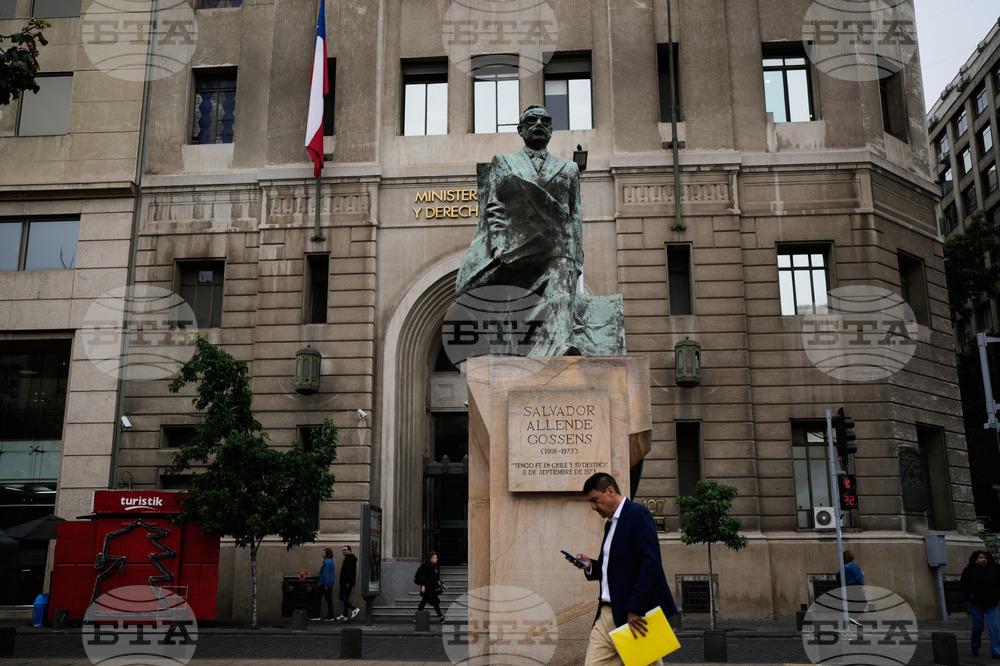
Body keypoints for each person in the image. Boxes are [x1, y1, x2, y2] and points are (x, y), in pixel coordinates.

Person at [456, 104, 624, 357]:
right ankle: (515, 347)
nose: (538, 125)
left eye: (545, 121)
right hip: (517, 247)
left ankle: (562, 346)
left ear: (551, 130)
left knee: (561, 288)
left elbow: (574, 215)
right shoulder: (503, 163)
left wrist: (576, 255)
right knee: (470, 290)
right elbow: (495, 207)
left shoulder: (568, 169)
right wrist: (499, 245)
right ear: (521, 130)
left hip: (557, 245)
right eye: (532, 121)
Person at [566, 472, 677, 666]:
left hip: (632, 615)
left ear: (610, 491)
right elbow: (615, 568)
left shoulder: (637, 514)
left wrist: (636, 608)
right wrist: (591, 565)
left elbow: (650, 564)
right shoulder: (610, 524)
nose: (593, 507)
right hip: (606, 614)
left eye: (595, 500)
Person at [961, 549, 1000, 657]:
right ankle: (975, 645)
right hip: (976, 602)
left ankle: (996, 651)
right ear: (975, 560)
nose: (984, 559)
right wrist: (970, 595)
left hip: (992, 602)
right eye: (981, 557)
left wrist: (997, 595)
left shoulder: (994, 570)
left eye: (985, 558)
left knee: (994, 626)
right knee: (978, 625)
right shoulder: (969, 570)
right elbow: (964, 585)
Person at [415, 551, 447, 623]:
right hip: (428, 588)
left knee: (424, 602)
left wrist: (442, 584)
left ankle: (441, 617)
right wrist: (423, 586)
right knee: (435, 601)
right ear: (431, 559)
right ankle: (441, 617)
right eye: (435, 558)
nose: (437, 559)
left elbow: (435, 578)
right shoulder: (427, 566)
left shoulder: (432, 566)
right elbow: (424, 577)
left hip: (429, 587)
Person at [310, 547, 336, 621]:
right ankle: (330, 616)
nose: (322, 554)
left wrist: (325, 584)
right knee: (329, 600)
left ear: (327, 554)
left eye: (324, 553)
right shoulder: (331, 561)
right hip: (329, 584)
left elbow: (326, 574)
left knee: (317, 598)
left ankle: (317, 615)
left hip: (324, 584)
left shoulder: (326, 562)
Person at [336, 545, 360, 620]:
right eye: (343, 550)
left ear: (349, 550)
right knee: (346, 597)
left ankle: (354, 608)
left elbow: (349, 571)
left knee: (342, 596)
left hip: (346, 582)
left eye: (345, 550)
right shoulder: (349, 558)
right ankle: (345, 615)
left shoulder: (349, 559)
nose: (343, 551)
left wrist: (347, 582)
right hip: (347, 582)